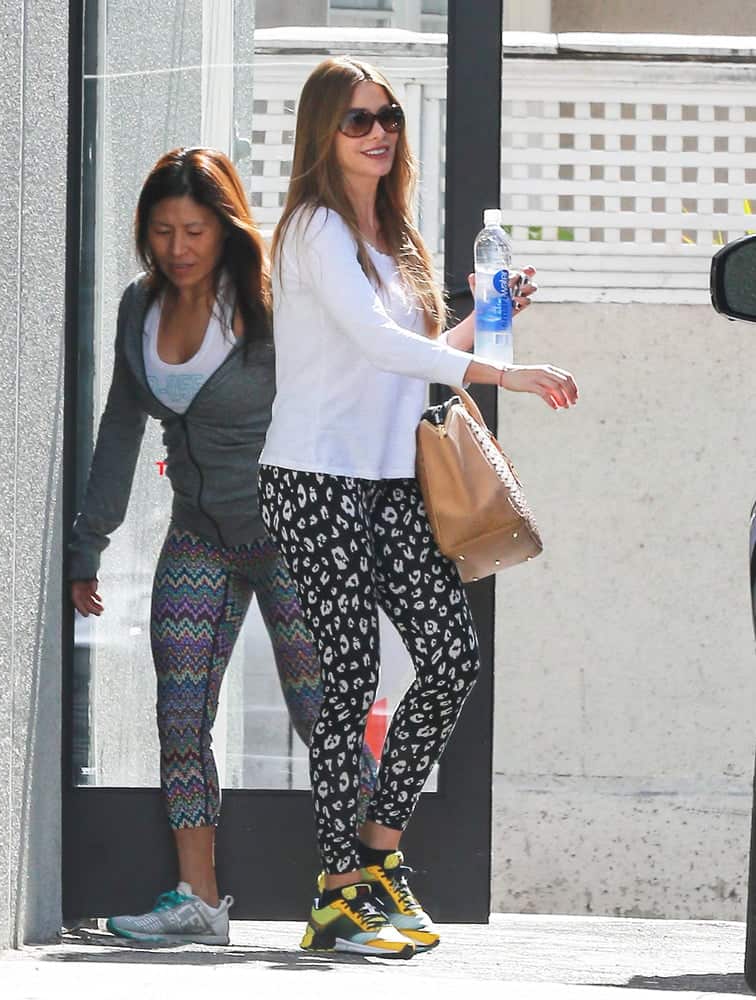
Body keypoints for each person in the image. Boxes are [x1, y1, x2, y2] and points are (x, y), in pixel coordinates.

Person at [258, 56, 578, 959]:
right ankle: (335, 895)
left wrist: (489, 320)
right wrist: (504, 374)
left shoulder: (392, 235)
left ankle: (377, 855)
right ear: (324, 133)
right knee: (351, 675)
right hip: (314, 479)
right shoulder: (314, 228)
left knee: (450, 656)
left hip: (391, 478)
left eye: (388, 116)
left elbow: (412, 354)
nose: (378, 133)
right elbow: (376, 344)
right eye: (357, 120)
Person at [68, 147, 379, 946]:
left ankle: (365, 891)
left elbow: (370, 355)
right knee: (180, 716)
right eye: (162, 230)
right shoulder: (140, 306)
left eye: (195, 230)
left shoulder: (274, 299)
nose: (178, 247)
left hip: (291, 537)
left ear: (226, 226)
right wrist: (88, 543)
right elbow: (121, 425)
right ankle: (198, 903)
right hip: (199, 535)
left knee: (323, 714)